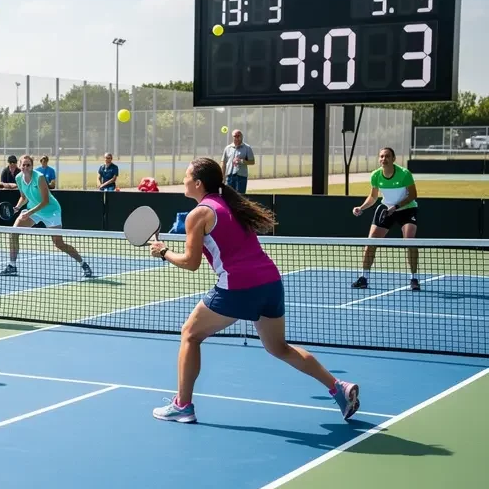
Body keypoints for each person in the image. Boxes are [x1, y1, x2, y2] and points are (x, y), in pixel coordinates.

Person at [146, 157, 359, 424]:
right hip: (270, 283)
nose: (184, 179)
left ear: (198, 183)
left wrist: (163, 252)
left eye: (187, 175)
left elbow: (191, 263)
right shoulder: (231, 205)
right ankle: (337, 386)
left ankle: (183, 405)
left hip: (238, 287)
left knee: (189, 334)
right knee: (278, 347)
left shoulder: (198, 214)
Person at [0, 154, 93, 279]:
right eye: (23, 165)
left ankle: (83, 264)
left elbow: (45, 201)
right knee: (13, 233)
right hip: (33, 209)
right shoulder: (18, 178)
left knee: (59, 243)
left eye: (28, 165)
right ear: (19, 165)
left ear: (32, 166)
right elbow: (24, 197)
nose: (26, 167)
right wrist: (17, 207)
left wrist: (29, 212)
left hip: (51, 210)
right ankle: (12, 266)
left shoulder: (39, 177)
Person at [351, 147, 420, 291]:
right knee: (370, 243)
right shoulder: (376, 176)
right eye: (381, 156)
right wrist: (361, 207)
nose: (384, 159)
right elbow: (373, 197)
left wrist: (395, 207)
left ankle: (414, 278)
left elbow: (413, 195)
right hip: (386, 210)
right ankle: (363, 278)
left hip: (406, 209)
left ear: (393, 159)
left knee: (410, 242)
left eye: (387, 156)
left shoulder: (404, 174)